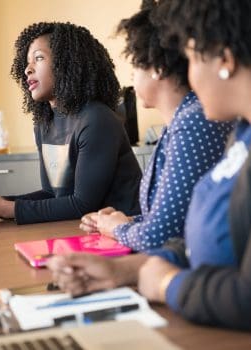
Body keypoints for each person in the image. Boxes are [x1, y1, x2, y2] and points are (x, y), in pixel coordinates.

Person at [47, 0, 251, 347]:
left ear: (224, 58)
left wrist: (166, 284)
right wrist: (125, 272)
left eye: (192, 57)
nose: (188, 75)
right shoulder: (249, 129)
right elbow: (215, 241)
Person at [79, 0, 233, 251]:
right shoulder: (183, 120)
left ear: (158, 67)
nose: (131, 76)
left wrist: (117, 228)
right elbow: (175, 220)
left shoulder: (193, 122)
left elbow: (160, 237)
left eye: (135, 64)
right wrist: (124, 221)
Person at [0, 22, 142, 225]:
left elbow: (83, 204)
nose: (28, 69)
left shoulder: (97, 119)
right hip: (81, 229)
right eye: (27, 62)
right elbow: (52, 194)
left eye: (38, 58)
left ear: (67, 63)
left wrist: (6, 208)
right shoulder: (44, 123)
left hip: (123, 234)